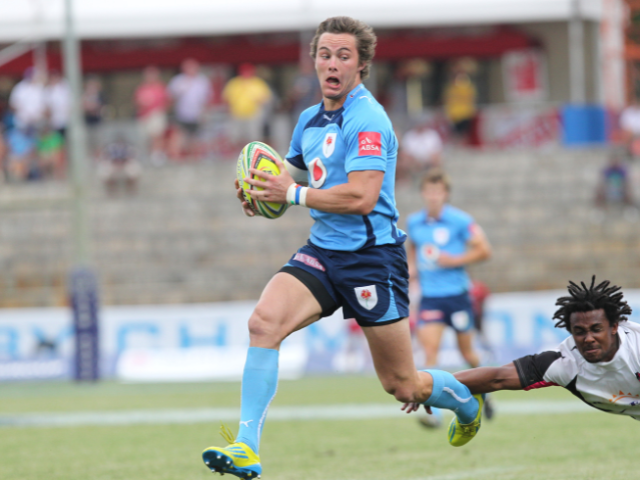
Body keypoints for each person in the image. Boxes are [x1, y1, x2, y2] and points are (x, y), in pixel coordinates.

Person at [202, 17, 485, 480]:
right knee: (263, 322)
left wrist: (289, 196)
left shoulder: (368, 117)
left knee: (403, 384)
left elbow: (361, 197)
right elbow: (291, 177)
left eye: (343, 56)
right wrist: (260, 194)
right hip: (323, 252)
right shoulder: (307, 121)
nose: (332, 64)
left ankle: (465, 402)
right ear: (313, 60)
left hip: (372, 259)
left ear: (362, 65)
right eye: (325, 54)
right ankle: (246, 447)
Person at [403, 277, 640, 426]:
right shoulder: (563, 363)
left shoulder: (636, 348)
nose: (588, 338)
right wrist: (425, 387)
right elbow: (497, 377)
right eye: (579, 331)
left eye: (596, 329)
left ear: (615, 326)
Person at [405, 169, 491, 427]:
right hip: (431, 297)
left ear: (446, 194)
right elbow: (412, 249)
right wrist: (411, 270)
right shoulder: (414, 222)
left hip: (458, 296)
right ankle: (435, 414)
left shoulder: (460, 221)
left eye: (438, 191)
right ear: (423, 193)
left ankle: (486, 394)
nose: (433, 196)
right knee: (429, 353)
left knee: (468, 354)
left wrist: (455, 260)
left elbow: (485, 250)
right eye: (428, 191)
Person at [167, 58, 211, 159]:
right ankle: (175, 159)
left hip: (196, 115)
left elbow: (206, 99)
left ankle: (194, 159)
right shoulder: (178, 81)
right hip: (182, 114)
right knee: (178, 137)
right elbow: (170, 97)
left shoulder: (202, 81)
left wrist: (206, 113)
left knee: (194, 139)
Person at [222, 63, 273, 147]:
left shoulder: (258, 83)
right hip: (237, 113)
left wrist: (260, 101)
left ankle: (253, 153)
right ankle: (238, 153)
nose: (246, 73)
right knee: (236, 135)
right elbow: (226, 97)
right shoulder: (235, 83)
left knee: (253, 135)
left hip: (253, 113)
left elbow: (267, 98)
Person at [135, 66, 169, 165]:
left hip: (156, 114)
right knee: (146, 137)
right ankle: (147, 155)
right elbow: (136, 102)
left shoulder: (160, 87)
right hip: (143, 116)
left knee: (156, 135)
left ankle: (157, 155)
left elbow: (166, 101)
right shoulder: (141, 88)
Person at [397, 116, 443, 182]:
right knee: (402, 161)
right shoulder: (409, 135)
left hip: (428, 159)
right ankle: (405, 181)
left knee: (437, 160)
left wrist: (426, 160)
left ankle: (435, 180)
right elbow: (405, 153)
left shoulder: (432, 134)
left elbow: (437, 151)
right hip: (413, 160)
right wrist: (415, 160)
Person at [443, 71, 476, 144]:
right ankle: (458, 145)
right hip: (455, 114)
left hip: (463, 113)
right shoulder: (452, 88)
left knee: (461, 132)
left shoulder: (465, 88)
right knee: (456, 132)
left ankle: (460, 145)